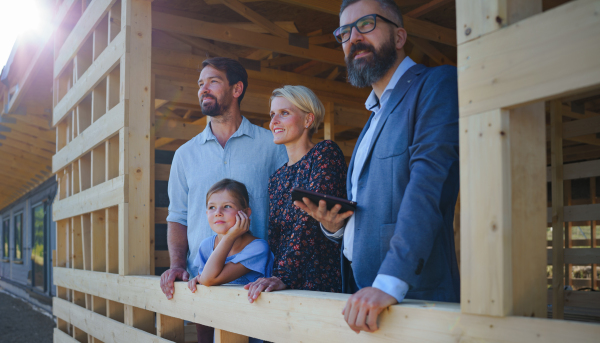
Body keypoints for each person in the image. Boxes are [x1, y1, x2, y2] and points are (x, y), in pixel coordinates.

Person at [295, 0, 460, 334]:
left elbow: (429, 187)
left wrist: (390, 281)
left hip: (415, 301)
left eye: (366, 24)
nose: (353, 37)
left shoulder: (435, 84)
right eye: (344, 32)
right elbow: (375, 214)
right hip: (364, 305)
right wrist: (335, 227)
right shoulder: (371, 121)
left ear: (399, 37)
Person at [160, 57, 287, 341]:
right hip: (202, 284)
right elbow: (178, 216)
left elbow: (287, 213)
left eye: (213, 81)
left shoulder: (271, 146)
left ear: (236, 89)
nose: (203, 89)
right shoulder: (184, 155)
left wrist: (286, 271)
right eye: (200, 84)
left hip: (256, 287)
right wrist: (177, 265)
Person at [244, 86, 346, 301]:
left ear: (308, 120)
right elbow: (275, 237)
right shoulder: (277, 178)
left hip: (319, 284)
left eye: (284, 113)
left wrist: (283, 275)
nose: (274, 122)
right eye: (272, 115)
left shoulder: (324, 153)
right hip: (281, 286)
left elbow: (309, 220)